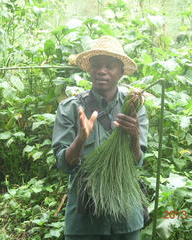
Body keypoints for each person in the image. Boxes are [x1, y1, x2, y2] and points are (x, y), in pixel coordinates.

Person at [52, 36, 148, 240]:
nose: (101, 71)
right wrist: (80, 139)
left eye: (110, 66)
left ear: (121, 72)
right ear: (89, 70)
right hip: (85, 217)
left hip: (125, 214)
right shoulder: (70, 107)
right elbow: (63, 164)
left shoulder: (133, 106)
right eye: (96, 65)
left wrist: (134, 135)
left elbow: (137, 162)